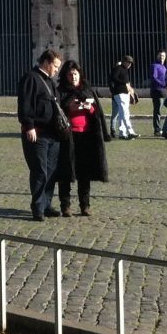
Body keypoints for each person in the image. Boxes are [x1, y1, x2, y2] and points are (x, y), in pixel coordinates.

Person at [56, 60, 108, 217]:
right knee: (66, 172)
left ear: (80, 75)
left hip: (86, 136)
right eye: (70, 74)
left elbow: (97, 113)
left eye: (76, 74)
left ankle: (85, 205)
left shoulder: (88, 90)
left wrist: (90, 108)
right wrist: (68, 107)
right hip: (68, 137)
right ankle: (65, 206)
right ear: (66, 76)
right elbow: (57, 111)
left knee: (84, 173)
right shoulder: (61, 91)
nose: (73, 77)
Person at [17, 48, 64, 221]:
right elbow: (25, 104)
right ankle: (37, 206)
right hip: (37, 133)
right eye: (55, 66)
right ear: (46, 62)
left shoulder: (50, 81)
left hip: (53, 133)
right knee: (39, 171)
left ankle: (46, 203)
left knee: (51, 171)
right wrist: (28, 126)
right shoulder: (31, 78)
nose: (57, 70)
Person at [109, 55, 138, 140]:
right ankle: (130, 131)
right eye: (128, 62)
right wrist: (124, 82)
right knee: (124, 112)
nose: (130, 64)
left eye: (131, 63)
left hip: (125, 93)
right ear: (124, 62)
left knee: (124, 113)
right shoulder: (119, 68)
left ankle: (122, 133)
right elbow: (113, 78)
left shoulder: (125, 70)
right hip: (119, 93)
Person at [150, 49, 167, 137]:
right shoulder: (154, 66)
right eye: (160, 56)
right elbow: (154, 78)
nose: (162, 57)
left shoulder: (164, 67)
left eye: (163, 56)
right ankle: (157, 130)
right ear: (157, 56)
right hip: (157, 91)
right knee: (158, 111)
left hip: (165, 92)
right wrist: (163, 84)